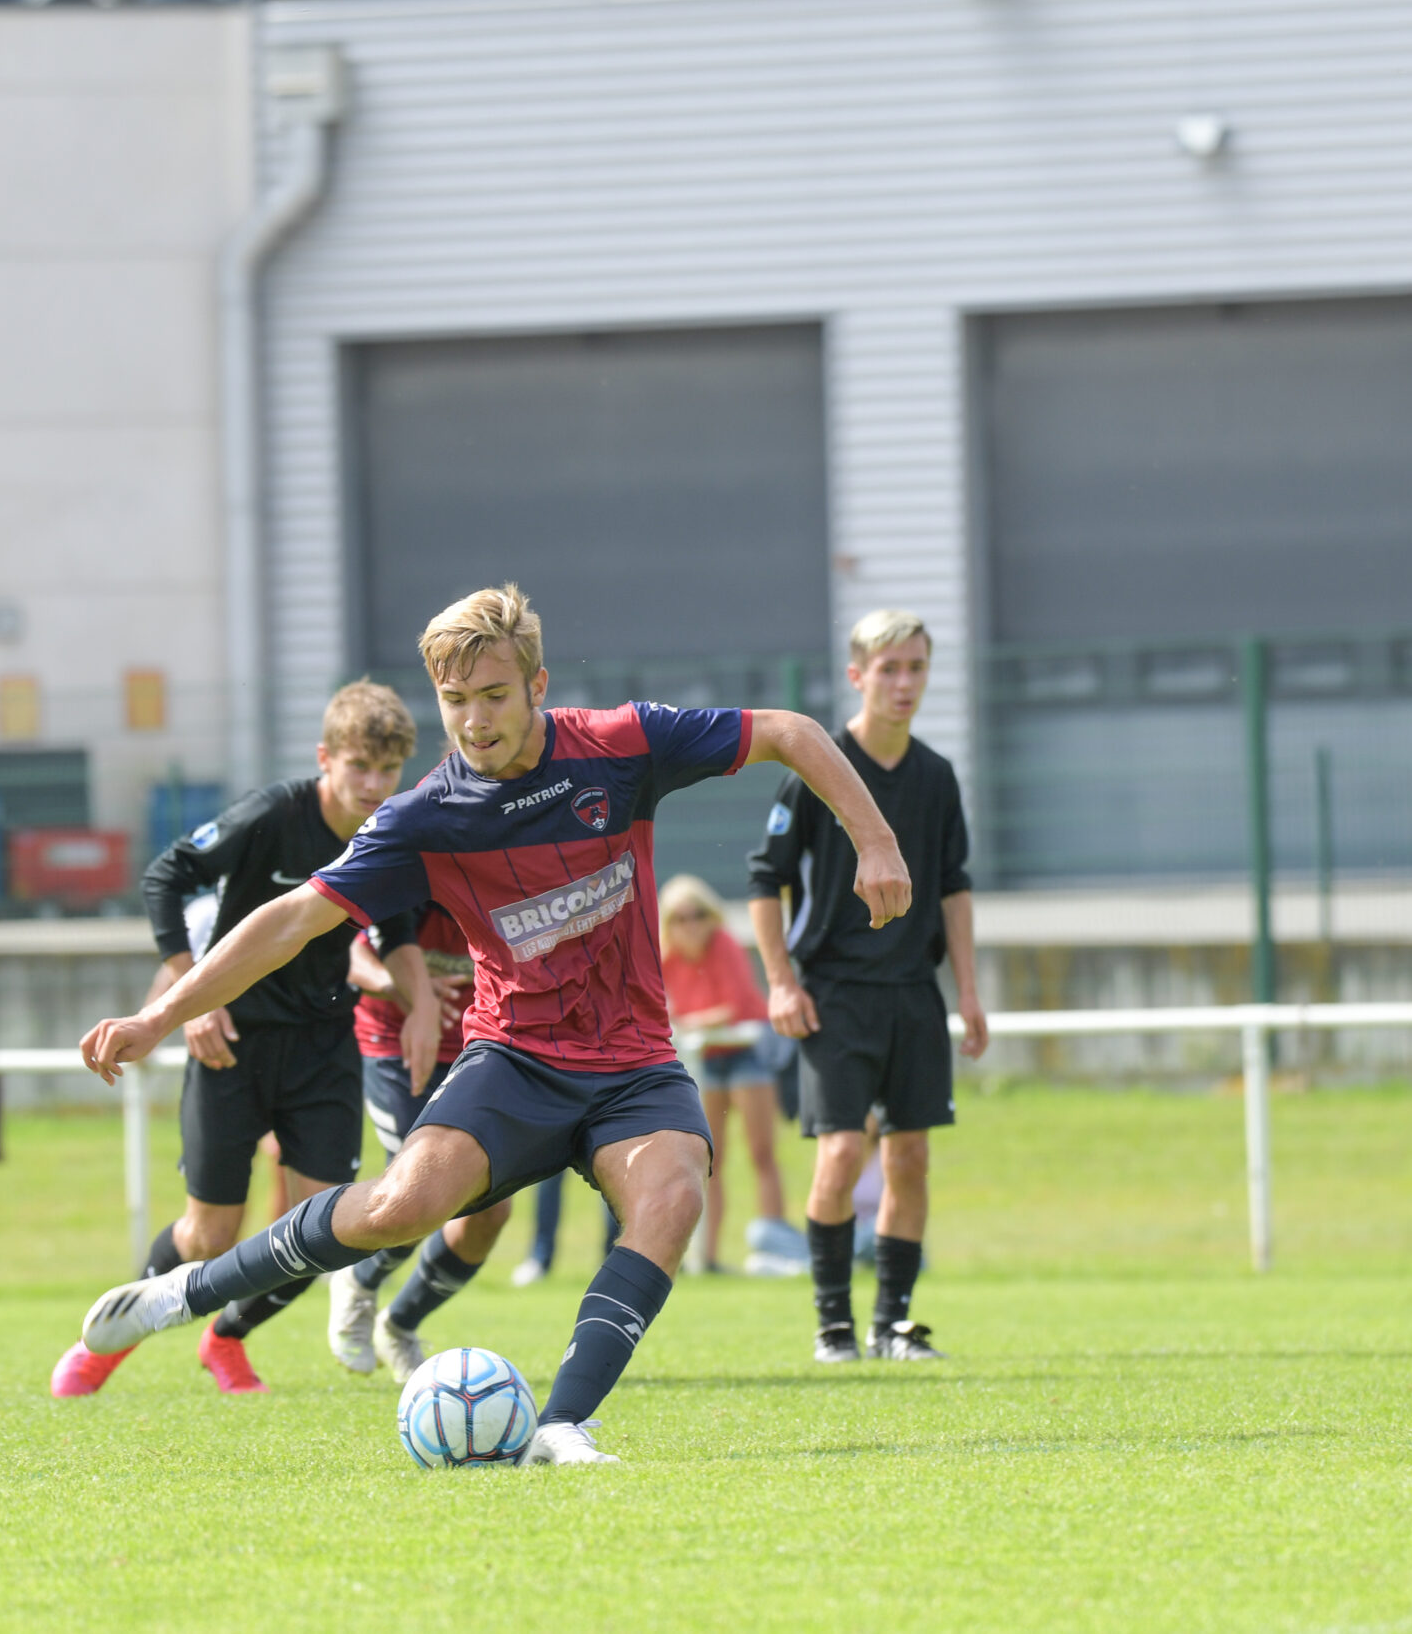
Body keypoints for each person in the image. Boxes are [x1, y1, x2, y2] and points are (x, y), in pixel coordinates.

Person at [67, 584, 912, 1467]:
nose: (473, 720)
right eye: (455, 700)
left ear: (538, 684)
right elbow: (290, 920)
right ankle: (181, 1294)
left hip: (633, 1061)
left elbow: (788, 730)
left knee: (673, 1197)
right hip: (514, 1058)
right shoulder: (426, 815)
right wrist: (161, 1012)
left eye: (493, 695)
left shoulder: (621, 746)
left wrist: (877, 840)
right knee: (403, 1206)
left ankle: (561, 1425)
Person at [51, 679, 425, 1399]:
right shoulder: (274, 814)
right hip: (231, 1041)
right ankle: (101, 1346)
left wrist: (419, 1004)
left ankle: (224, 1338)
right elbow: (167, 876)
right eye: (359, 767)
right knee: (208, 1237)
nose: (374, 785)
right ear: (326, 759)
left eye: (387, 770)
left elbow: (400, 923)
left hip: (324, 1048)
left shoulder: (394, 832)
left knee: (329, 1232)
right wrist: (192, 998)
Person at [747, 609, 990, 1364]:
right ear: (858, 675)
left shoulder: (937, 777)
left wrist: (971, 994)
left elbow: (952, 888)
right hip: (836, 993)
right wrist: (781, 983)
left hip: (913, 993)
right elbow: (765, 880)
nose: (904, 682)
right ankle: (833, 1327)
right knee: (843, 1150)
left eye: (916, 666)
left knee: (910, 1156)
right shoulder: (818, 768)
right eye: (889, 668)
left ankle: (893, 1325)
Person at [326, 902, 513, 1379]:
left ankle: (400, 1324)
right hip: (394, 1049)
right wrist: (399, 986)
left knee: (490, 1214)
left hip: (476, 1055)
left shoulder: (503, 885)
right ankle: (358, 1281)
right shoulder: (418, 884)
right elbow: (351, 950)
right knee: (417, 1191)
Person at [658, 874, 805, 1277]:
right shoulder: (665, 956)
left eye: (698, 914)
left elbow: (734, 1005)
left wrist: (687, 1021)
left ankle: (775, 1249)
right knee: (710, 1161)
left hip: (746, 1055)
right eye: (680, 917)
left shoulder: (724, 945)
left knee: (762, 1153)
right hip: (705, 1060)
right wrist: (692, 1024)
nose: (691, 925)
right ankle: (705, 1256)